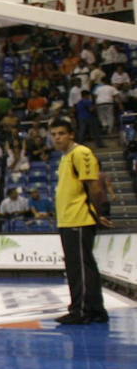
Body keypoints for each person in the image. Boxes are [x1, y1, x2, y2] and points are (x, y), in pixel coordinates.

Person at [50, 117, 111, 324]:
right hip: (68, 220)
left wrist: (100, 213)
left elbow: (93, 186)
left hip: (79, 218)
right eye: (54, 134)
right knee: (83, 267)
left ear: (71, 135)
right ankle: (95, 310)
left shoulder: (81, 153)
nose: (57, 138)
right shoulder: (65, 157)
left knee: (80, 268)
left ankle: (81, 310)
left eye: (61, 133)